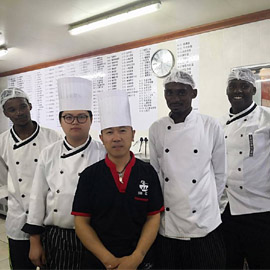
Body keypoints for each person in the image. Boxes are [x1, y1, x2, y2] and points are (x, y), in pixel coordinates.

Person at [72, 90, 164, 269]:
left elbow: (153, 217)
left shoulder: (147, 172)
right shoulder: (89, 175)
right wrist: (108, 260)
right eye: (109, 132)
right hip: (99, 261)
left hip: (141, 261)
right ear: (102, 138)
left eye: (122, 131)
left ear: (132, 134)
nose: (116, 138)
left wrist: (136, 257)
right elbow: (81, 222)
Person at [22, 77, 106, 269]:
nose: (75, 122)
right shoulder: (49, 153)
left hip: (97, 236)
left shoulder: (103, 153)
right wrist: (34, 241)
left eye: (82, 116)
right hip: (58, 235)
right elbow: (37, 198)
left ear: (91, 120)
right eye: (68, 117)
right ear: (61, 121)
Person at [149, 69, 226, 269]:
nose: (175, 98)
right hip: (169, 226)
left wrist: (208, 207)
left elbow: (220, 173)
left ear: (194, 93)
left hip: (204, 226)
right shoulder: (157, 128)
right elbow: (156, 174)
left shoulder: (211, 125)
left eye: (181, 92)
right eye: (170, 92)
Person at [0, 87, 61, 269]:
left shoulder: (53, 137)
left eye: (22, 106)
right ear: (5, 113)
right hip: (18, 217)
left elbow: (59, 176)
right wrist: (14, 199)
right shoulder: (2, 142)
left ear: (30, 106)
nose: (19, 113)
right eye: (12, 109)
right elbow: (2, 180)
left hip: (49, 216)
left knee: (51, 264)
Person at [220, 68, 270, 269]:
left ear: (253, 90)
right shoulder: (219, 123)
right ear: (227, 91)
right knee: (229, 263)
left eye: (244, 86)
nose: (237, 90)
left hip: (260, 209)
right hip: (227, 209)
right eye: (233, 86)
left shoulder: (266, 118)